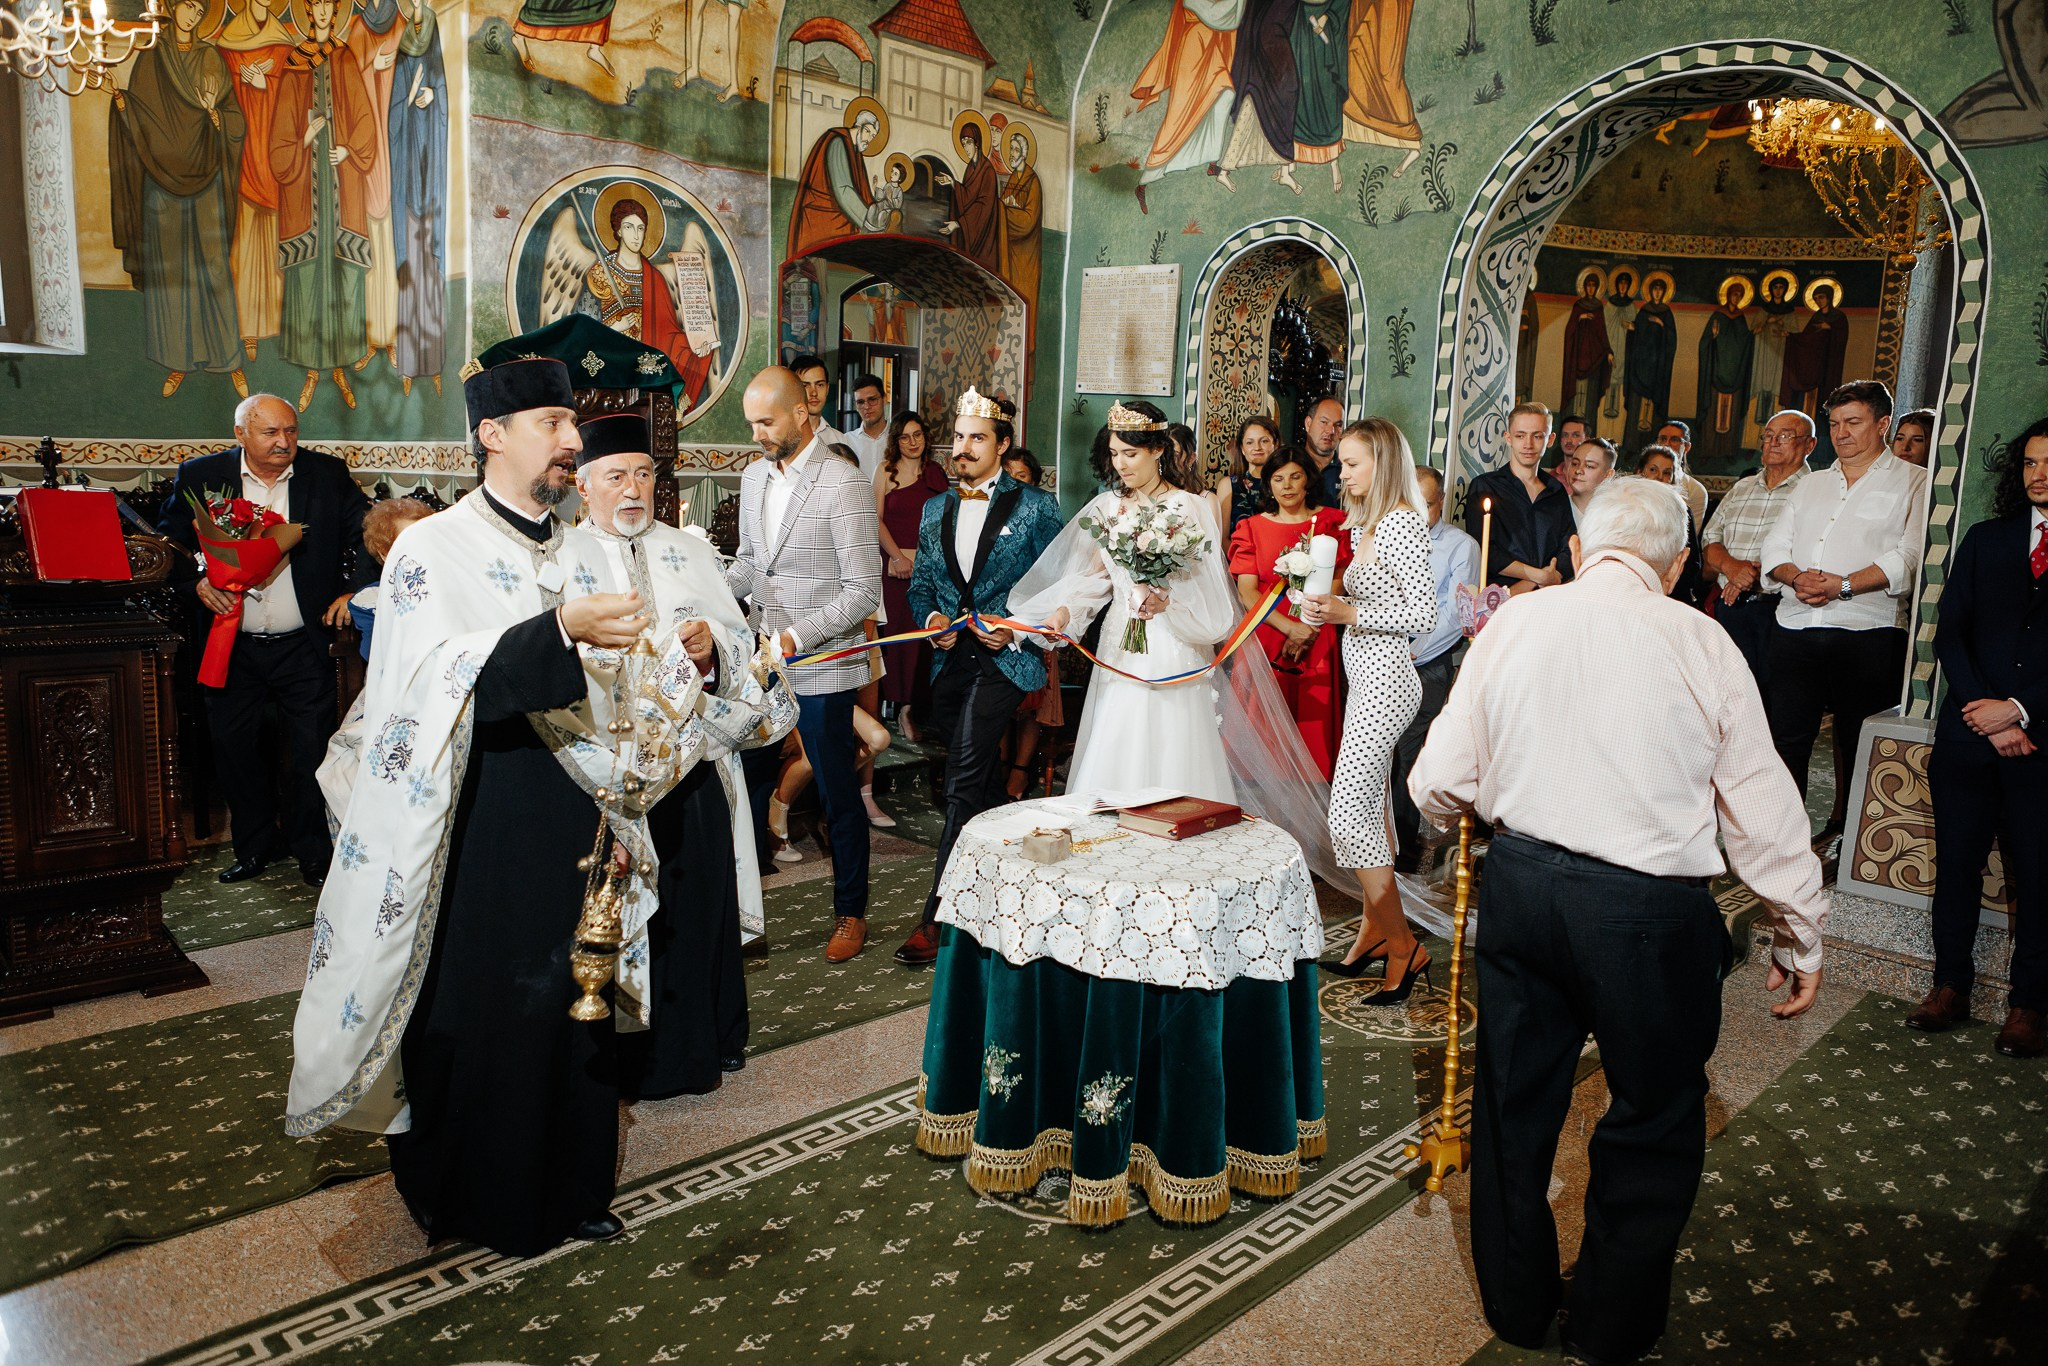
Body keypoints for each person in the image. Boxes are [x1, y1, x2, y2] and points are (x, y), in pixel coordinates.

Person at [1409, 475, 1828, 1366]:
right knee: (1654, 1114)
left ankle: (1517, 1310)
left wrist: (1489, 810)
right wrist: (1800, 929)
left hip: (1520, 892)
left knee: (1514, 1104)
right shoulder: (1701, 640)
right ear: (1677, 565)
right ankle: (1609, 1328)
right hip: (1646, 913)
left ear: (1575, 551)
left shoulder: (1516, 620)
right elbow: (1760, 802)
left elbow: (1435, 781)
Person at [287, 356, 656, 1257]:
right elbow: (420, 685)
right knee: (485, 1003)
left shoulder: (582, 545)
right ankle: (468, 1194)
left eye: (573, 425)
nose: (574, 442)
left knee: (578, 993)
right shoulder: (431, 549)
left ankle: (574, 1187)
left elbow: (628, 677)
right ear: (492, 435)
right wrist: (558, 631)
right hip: (476, 813)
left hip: (579, 803)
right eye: (552, 424)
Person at [570, 413, 795, 1096]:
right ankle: (624, 1058)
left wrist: (713, 653)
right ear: (584, 487)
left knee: (695, 906)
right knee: (614, 905)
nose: (634, 488)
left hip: (692, 766)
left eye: (644, 474)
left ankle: (701, 1043)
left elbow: (743, 653)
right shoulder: (562, 559)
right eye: (616, 476)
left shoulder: (690, 552)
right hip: (605, 774)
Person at [158, 393, 375, 888]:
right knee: (236, 751)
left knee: (309, 750)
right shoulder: (201, 477)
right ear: (240, 435)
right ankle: (253, 848)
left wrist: (354, 590)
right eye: (270, 433)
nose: (284, 443)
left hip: (305, 643)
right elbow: (167, 546)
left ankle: (313, 852)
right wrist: (195, 585)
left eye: (292, 432)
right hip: (230, 644)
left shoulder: (325, 475)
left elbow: (366, 533)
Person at [893, 389, 1064, 966]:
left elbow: (1058, 589)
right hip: (947, 665)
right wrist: (933, 619)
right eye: (959, 437)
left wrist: (1016, 629)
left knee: (962, 780)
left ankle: (938, 917)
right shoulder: (935, 508)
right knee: (983, 789)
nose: (962, 449)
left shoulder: (1037, 508)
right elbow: (921, 587)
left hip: (1005, 662)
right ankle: (1025, 880)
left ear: (1003, 444)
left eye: (976, 439)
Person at [730, 366, 883, 962]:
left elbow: (862, 592)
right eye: (751, 425)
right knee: (747, 782)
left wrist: (796, 636)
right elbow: (750, 565)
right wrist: (702, 586)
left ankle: (851, 912)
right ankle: (743, 918)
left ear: (802, 413)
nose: (757, 435)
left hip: (820, 663)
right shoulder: (751, 479)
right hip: (762, 666)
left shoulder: (841, 481)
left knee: (837, 792)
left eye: (765, 422)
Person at [1910, 417, 2048, 1057]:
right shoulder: (1986, 539)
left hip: (2039, 743)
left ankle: (2027, 1006)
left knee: (2041, 876)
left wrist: (2019, 709)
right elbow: (1950, 634)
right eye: (2029, 463)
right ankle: (1949, 985)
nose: (2038, 474)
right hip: (1968, 739)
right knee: (1957, 866)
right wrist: (1983, 712)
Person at [1301, 419, 1436, 994]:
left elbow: (1424, 616)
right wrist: (1328, 604)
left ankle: (1403, 942)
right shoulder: (1369, 525)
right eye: (1342, 462)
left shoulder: (1403, 521)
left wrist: (1348, 615)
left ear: (1381, 463)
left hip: (1387, 683)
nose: (1342, 472)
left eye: (1353, 463)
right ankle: (1372, 933)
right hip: (1367, 678)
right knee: (1371, 814)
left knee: (1347, 815)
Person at [1760, 380, 1928, 839]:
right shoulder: (1811, 484)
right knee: (1787, 740)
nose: (1842, 433)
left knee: (1859, 742)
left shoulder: (1915, 482)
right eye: (1834, 424)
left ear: (1881, 423)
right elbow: (1775, 545)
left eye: (1853, 423)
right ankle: (1785, 839)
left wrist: (1845, 585)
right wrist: (1796, 577)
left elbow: (1910, 557)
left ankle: (1857, 842)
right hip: (1795, 623)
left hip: (1867, 630)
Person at [1229, 448, 1349, 777]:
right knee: (1264, 724)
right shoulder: (1251, 527)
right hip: (1268, 629)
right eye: (1278, 479)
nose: (1287, 486)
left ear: (1308, 480)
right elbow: (1247, 590)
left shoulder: (1332, 523)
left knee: (1313, 723)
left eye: (1295, 477)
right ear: (1268, 484)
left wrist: (1307, 627)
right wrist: (1288, 627)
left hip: (1317, 630)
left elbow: (1339, 581)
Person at [1389, 463, 1479, 874]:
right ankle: (1376, 841)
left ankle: (1407, 852)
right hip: (1382, 658)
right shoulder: (1389, 537)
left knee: (1410, 754)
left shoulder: (1461, 546)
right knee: (1378, 754)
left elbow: (1453, 615)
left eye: (1425, 505)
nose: (1415, 515)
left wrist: (1412, 650)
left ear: (1441, 501)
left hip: (1427, 665)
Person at [1702, 410, 1815, 690]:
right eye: (1768, 435)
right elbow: (1710, 537)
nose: (1773, 442)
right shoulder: (1742, 487)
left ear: (1809, 445)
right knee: (1726, 694)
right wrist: (1731, 568)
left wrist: (1750, 573)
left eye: (1785, 436)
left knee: (1772, 702)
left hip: (1779, 610)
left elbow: (1812, 548)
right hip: (1731, 607)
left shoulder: (1816, 490)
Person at [875, 411, 949, 743]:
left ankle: (909, 710)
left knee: (921, 640)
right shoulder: (885, 473)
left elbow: (947, 520)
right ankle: (882, 707)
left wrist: (926, 562)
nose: (912, 442)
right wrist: (897, 556)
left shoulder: (935, 474)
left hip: (927, 570)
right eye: (905, 436)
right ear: (896, 441)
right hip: (894, 566)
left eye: (917, 434)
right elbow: (875, 519)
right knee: (894, 639)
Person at [1465, 402, 1574, 595]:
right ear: (1508, 438)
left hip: (1548, 596)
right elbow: (1483, 549)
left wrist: (1540, 580)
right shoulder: (1485, 487)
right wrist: (1537, 577)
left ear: (1550, 439)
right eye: (1520, 435)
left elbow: (1569, 548)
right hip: (1498, 597)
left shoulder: (1556, 491)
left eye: (1537, 436)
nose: (1528, 445)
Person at [348, 496, 436, 660]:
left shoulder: (446, 587)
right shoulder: (370, 600)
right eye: (408, 543)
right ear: (384, 552)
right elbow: (376, 655)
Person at [1634, 446, 1705, 608]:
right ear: (1640, 472)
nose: (1659, 477)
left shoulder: (1682, 511)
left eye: (1667, 473)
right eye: (1653, 469)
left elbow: (1693, 563)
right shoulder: (1627, 505)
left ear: (1673, 479)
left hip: (1671, 594)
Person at [1217, 415, 1282, 531]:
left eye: (1264, 441)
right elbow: (1222, 538)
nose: (1257, 447)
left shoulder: (1284, 484)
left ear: (1276, 444)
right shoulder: (1228, 485)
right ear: (1242, 448)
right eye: (1249, 442)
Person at [1652, 420, 1709, 532]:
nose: (1666, 444)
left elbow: (1689, 534)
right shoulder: (1639, 479)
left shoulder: (1695, 490)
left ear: (1686, 447)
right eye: (1663, 439)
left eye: (1674, 440)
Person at [845, 373, 891, 483]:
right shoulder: (847, 440)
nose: (867, 407)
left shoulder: (898, 437)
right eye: (860, 402)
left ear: (884, 399)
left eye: (872, 399)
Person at [1565, 436, 1617, 525]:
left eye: (1589, 466)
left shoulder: (1616, 517)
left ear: (1608, 475)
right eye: (1575, 463)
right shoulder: (1554, 510)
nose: (1578, 470)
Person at [1302, 395, 1345, 503]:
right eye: (1324, 422)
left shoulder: (1347, 471)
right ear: (1308, 424)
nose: (1331, 431)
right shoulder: (1290, 464)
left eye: (1338, 425)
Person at [1549, 414, 1588, 480]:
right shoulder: (1551, 477)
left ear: (1587, 440)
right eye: (1565, 435)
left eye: (1575, 435)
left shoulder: (1592, 476)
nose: (1569, 440)